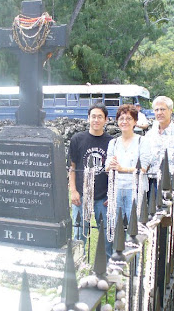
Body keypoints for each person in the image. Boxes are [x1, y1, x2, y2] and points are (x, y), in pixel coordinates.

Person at [69, 103, 113, 259]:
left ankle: (108, 265)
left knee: (108, 233)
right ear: (88, 118)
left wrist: (111, 195)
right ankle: (78, 261)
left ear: (106, 120)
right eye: (93, 116)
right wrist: (73, 191)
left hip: (103, 197)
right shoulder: (77, 139)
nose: (96, 120)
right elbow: (72, 168)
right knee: (80, 232)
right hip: (81, 195)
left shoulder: (112, 142)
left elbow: (114, 171)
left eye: (100, 116)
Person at [105, 104, 151, 222]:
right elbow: (106, 167)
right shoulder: (113, 143)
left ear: (135, 121)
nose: (124, 122)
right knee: (115, 226)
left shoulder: (143, 141)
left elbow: (144, 168)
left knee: (134, 226)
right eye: (121, 118)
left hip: (135, 189)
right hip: (117, 189)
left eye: (129, 118)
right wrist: (110, 165)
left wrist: (121, 168)